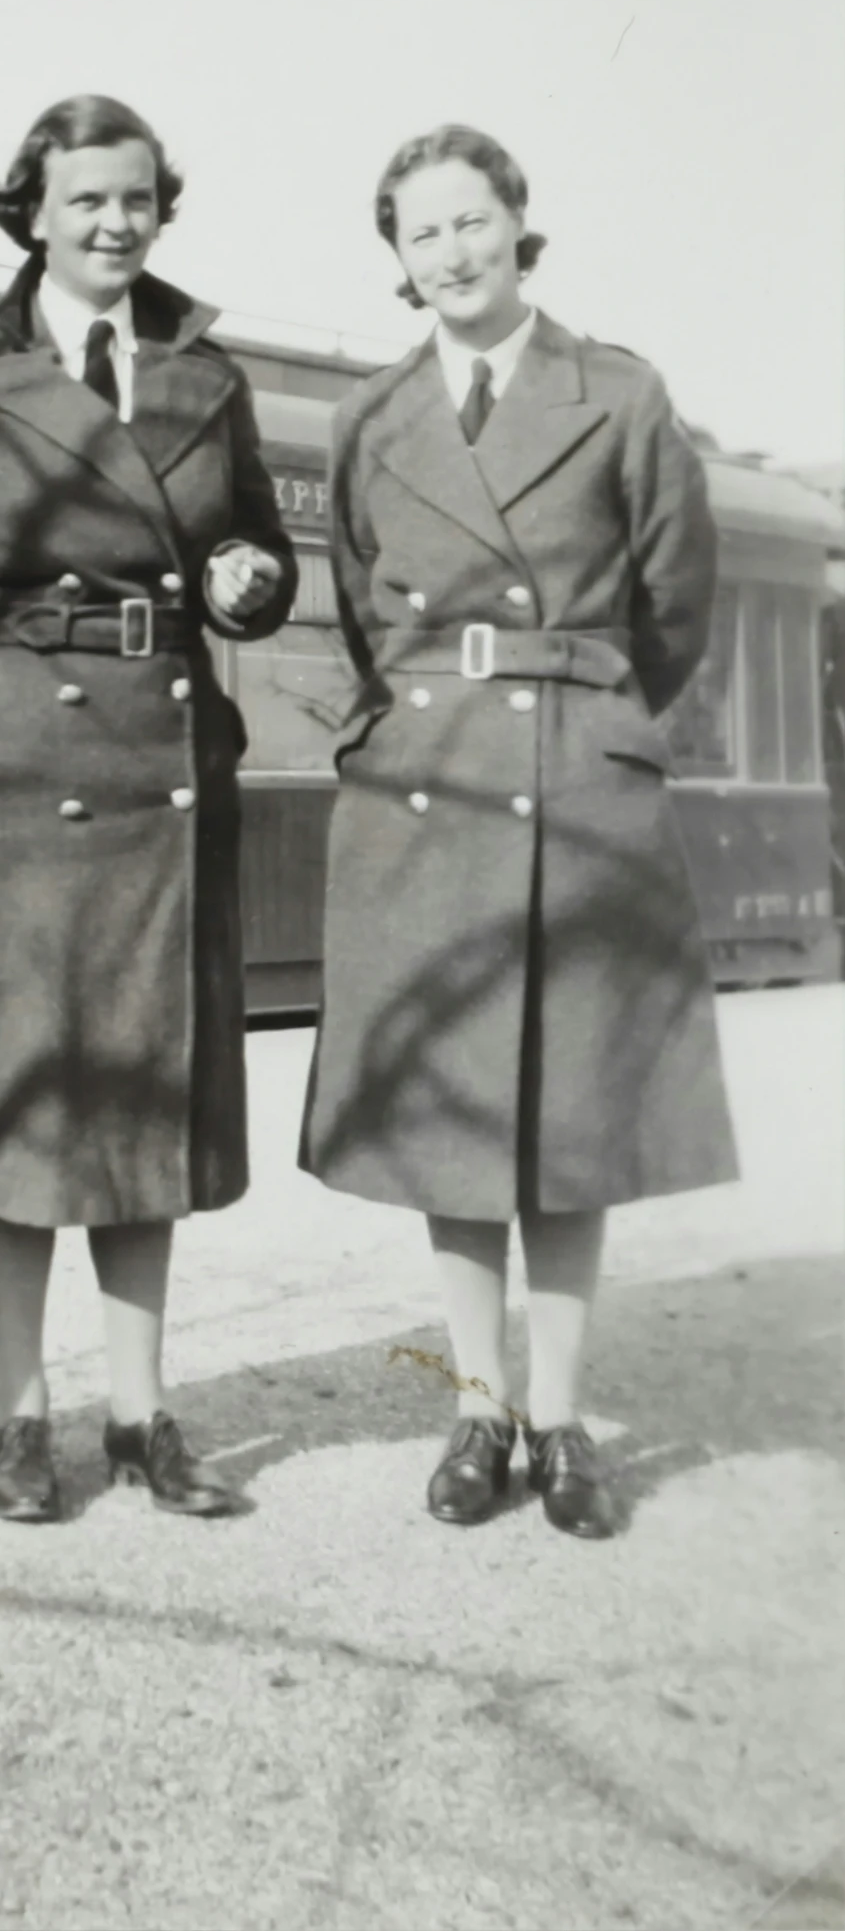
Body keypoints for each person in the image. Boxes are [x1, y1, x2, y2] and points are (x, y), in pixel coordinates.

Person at [0, 94, 297, 1521]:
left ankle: (143, 1414)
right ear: (29, 208)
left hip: (160, 755)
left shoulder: (205, 375)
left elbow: (259, 548)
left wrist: (250, 579)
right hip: (6, 767)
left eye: (138, 200)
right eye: (87, 198)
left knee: (141, 1088)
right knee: (17, 1098)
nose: (116, 222)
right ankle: (19, 1416)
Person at [299, 124, 738, 1539]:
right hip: (430, 788)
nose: (454, 252)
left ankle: (560, 1418)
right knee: (455, 1114)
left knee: (569, 1111)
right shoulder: (371, 419)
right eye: (423, 233)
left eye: (473, 220)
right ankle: (475, 1402)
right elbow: (371, 614)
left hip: (577, 777)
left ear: (517, 224)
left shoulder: (618, 393)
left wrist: (584, 714)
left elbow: (675, 611)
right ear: (399, 259)